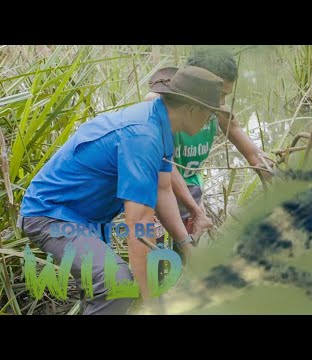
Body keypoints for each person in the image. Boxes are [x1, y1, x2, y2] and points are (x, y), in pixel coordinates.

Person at [16, 66, 229, 315]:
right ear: (193, 109)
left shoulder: (160, 124)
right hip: (51, 215)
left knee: (105, 291)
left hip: (86, 219)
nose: (209, 122)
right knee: (115, 284)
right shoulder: (143, 136)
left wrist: (186, 245)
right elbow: (139, 225)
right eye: (210, 115)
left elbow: (163, 192)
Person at [145, 49, 275, 245]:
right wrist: (195, 210)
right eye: (220, 93)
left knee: (189, 254)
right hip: (157, 192)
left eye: (226, 95)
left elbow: (253, 155)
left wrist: (279, 176)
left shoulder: (219, 110)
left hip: (192, 190)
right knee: (159, 261)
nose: (222, 102)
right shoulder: (160, 104)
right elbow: (165, 165)